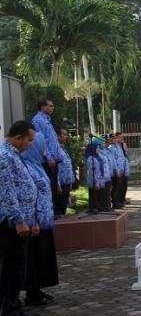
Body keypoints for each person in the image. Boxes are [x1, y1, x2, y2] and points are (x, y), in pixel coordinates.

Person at [0, 121, 38, 316]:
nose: (31, 144)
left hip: (22, 221)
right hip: (12, 225)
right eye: (29, 140)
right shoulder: (5, 157)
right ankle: (10, 309)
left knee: (17, 268)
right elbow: (7, 192)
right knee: (11, 269)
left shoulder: (14, 155)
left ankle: (13, 305)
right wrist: (19, 220)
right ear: (18, 138)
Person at [21, 132, 59, 307]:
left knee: (41, 259)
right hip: (34, 223)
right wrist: (34, 220)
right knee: (33, 260)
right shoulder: (25, 166)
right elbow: (29, 195)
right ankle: (32, 293)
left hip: (43, 221)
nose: (44, 149)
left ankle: (37, 290)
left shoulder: (36, 164)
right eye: (41, 145)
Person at [31, 98, 63, 216]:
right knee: (49, 187)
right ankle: (50, 213)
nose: (52, 108)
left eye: (52, 106)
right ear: (43, 107)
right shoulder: (38, 120)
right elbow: (41, 140)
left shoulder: (47, 120)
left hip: (54, 160)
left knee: (53, 186)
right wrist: (48, 157)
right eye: (50, 106)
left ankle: (54, 211)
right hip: (46, 161)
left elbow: (52, 140)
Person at [56, 128, 76, 215]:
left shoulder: (63, 148)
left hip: (67, 182)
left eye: (66, 135)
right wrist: (58, 184)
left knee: (64, 207)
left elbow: (68, 166)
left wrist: (71, 181)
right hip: (60, 184)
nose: (66, 137)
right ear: (57, 136)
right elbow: (56, 168)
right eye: (64, 135)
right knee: (59, 207)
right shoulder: (56, 149)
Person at [85, 142, 104, 214]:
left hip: (98, 180)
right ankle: (93, 208)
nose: (99, 149)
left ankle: (96, 208)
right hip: (94, 180)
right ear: (93, 149)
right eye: (97, 148)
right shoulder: (90, 158)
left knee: (97, 195)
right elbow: (93, 171)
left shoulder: (97, 157)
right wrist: (96, 182)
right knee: (93, 195)